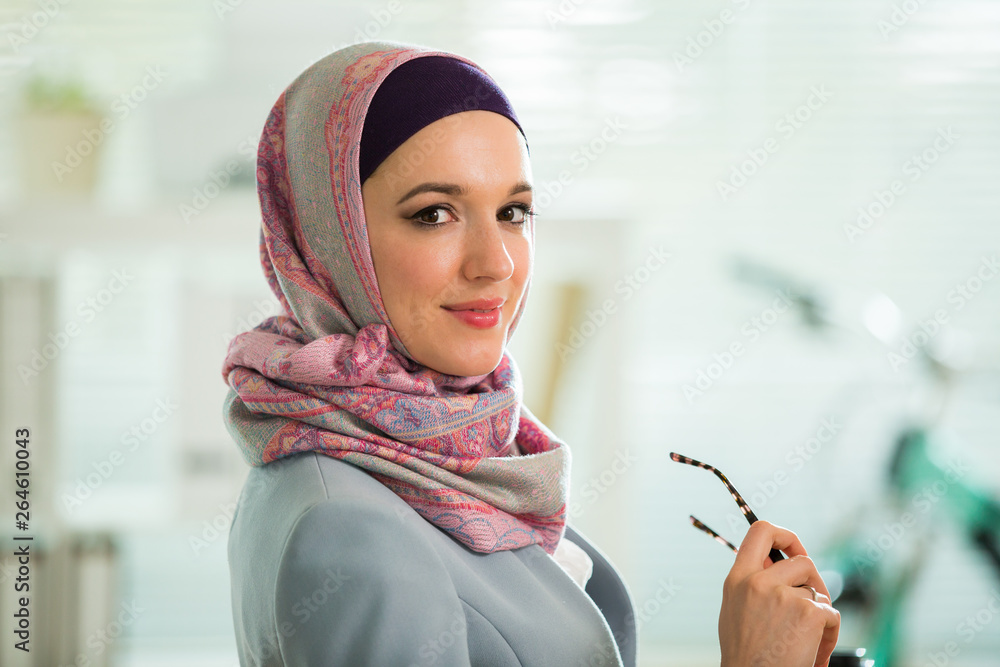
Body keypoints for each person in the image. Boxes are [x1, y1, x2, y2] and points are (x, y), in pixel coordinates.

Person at [221, 40, 840, 666]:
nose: (496, 263)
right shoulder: (349, 532)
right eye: (435, 214)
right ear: (331, 237)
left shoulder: (441, 451)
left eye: (513, 212)